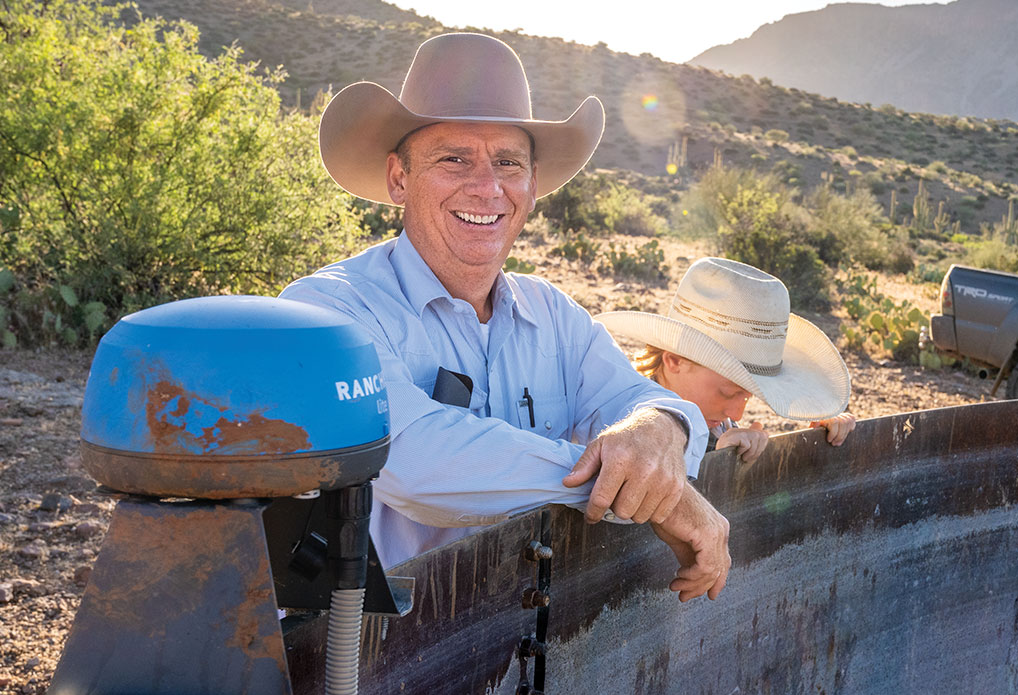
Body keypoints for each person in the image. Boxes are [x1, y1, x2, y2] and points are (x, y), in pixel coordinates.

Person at [279, 32, 730, 602]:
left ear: (533, 184)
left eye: (508, 162)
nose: (488, 187)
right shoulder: (328, 310)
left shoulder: (555, 316)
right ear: (399, 178)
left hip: (520, 654)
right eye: (454, 159)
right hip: (372, 656)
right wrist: (633, 484)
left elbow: (642, 399)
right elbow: (413, 464)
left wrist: (660, 429)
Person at [596, 257, 856, 464]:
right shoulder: (626, 421)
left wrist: (818, 434)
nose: (737, 413)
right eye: (728, 392)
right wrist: (715, 462)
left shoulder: (713, 421)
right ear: (675, 361)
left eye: (748, 395)